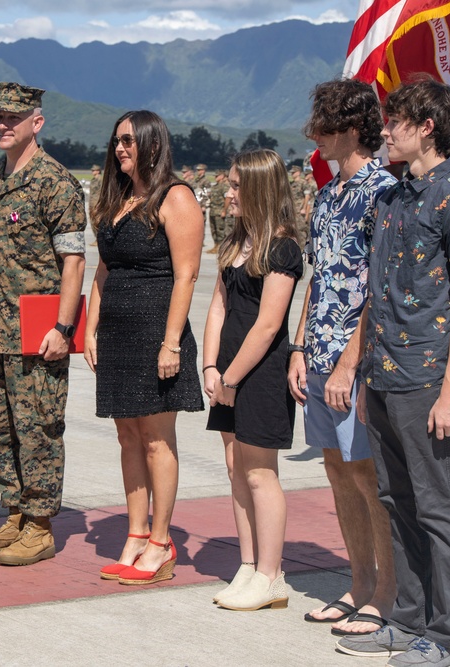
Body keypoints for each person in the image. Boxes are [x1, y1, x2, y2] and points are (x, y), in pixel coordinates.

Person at [337, 79, 450, 667]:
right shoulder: (392, 197)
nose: (385, 130)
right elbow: (377, 293)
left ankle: (447, 639)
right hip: (383, 373)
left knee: (441, 509)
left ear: (427, 126)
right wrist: (356, 363)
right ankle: (407, 619)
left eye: (396, 120)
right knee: (397, 501)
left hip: (429, 378)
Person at [288, 78, 398, 636]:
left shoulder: (383, 192)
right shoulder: (328, 195)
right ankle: (357, 583)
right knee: (335, 470)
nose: (314, 136)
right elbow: (320, 277)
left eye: (324, 127)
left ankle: (385, 592)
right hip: (320, 355)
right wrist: (301, 346)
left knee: (364, 473)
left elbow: (380, 288)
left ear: (352, 129)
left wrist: (350, 363)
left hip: (359, 360)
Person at [0, 82, 87, 566]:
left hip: (39, 332)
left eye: (14, 118)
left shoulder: (55, 181)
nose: (4, 125)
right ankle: (14, 512)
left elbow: (74, 261)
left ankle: (39, 525)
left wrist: (64, 327)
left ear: (36, 123)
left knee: (37, 427)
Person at [84, 110, 204, 585]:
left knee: (156, 439)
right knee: (127, 436)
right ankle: (135, 535)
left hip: (156, 332)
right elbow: (104, 268)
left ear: (153, 144)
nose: (120, 149)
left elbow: (187, 274)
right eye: (116, 141)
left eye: (130, 141)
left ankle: (161, 541)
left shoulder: (175, 197)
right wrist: (91, 327)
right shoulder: (118, 199)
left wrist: (171, 342)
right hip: (116, 333)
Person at [204, 149, 304, 610]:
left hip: (258, 374)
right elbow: (218, 306)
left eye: (236, 185)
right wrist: (210, 367)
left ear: (260, 189)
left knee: (261, 473)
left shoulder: (283, 248)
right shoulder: (235, 240)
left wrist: (231, 377)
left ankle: (271, 575)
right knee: (234, 467)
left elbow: (268, 325)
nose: (228, 192)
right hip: (226, 370)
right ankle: (247, 565)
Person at [206, 169, 230, 254]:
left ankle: (220, 247)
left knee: (220, 230)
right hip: (212, 211)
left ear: (222, 176)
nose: (215, 177)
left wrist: (224, 211)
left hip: (219, 211)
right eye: (215, 176)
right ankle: (215, 246)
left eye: (217, 176)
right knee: (214, 230)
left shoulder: (224, 187)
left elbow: (227, 199)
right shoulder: (214, 186)